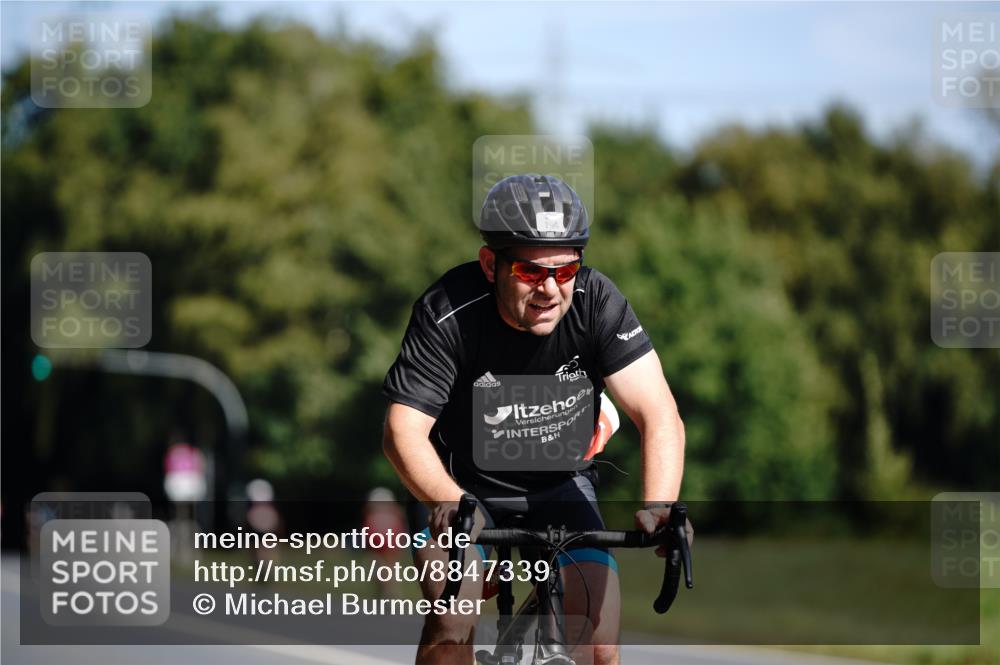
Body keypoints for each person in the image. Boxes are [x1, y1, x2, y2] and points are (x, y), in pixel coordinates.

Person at [382, 174, 685, 665]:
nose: (549, 289)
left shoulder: (597, 301)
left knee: (599, 645)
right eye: (530, 271)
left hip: (561, 486)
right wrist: (446, 499)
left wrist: (660, 505)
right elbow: (402, 430)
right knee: (452, 618)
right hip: (463, 490)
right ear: (490, 265)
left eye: (565, 272)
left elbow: (658, 412)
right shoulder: (448, 310)